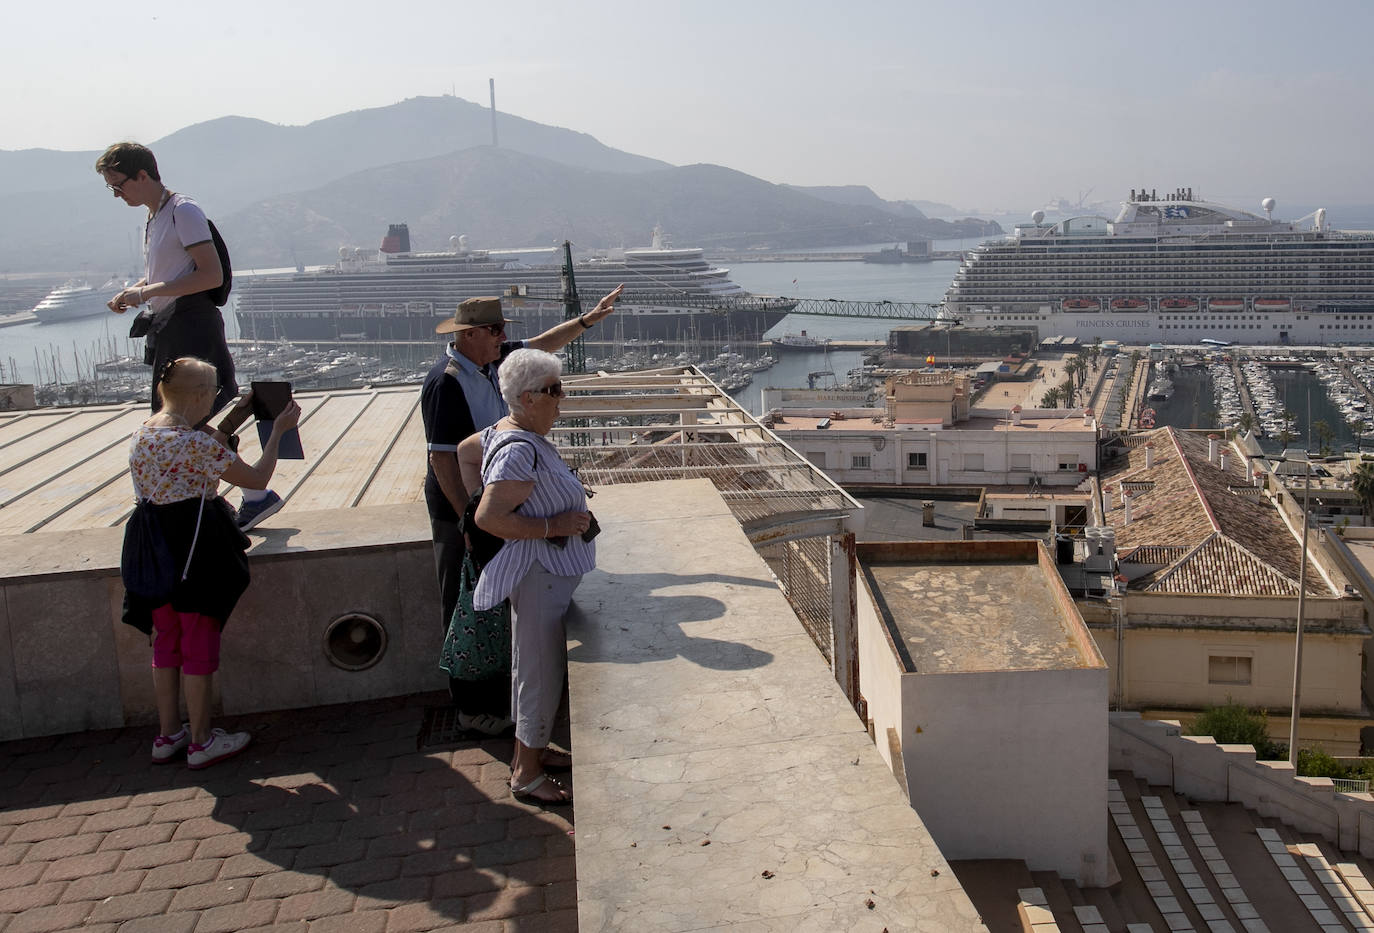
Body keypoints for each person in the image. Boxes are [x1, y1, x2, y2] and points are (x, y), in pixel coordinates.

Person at [422, 287, 621, 735]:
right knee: (466, 607)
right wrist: (468, 519)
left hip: (493, 498)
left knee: (495, 608)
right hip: (460, 509)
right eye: (495, 330)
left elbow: (544, 345)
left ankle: (500, 703)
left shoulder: (495, 361)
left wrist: (587, 321)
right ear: (469, 334)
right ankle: (470, 708)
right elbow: (443, 458)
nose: (502, 337)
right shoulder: (446, 381)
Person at [122, 357, 301, 769]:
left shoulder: (143, 434)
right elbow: (256, 479)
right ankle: (202, 741)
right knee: (199, 638)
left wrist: (238, 413)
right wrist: (277, 434)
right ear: (201, 396)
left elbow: (197, 451)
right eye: (213, 393)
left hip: (153, 547)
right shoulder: (194, 444)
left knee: (166, 642)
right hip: (195, 547)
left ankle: (168, 735)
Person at [95, 141, 281, 532]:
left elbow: (209, 276)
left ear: (143, 175)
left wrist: (144, 293)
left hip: (190, 323)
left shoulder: (183, 211)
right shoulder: (156, 216)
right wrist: (137, 291)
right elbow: (175, 272)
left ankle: (250, 496)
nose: (117, 194)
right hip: (172, 324)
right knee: (186, 423)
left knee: (183, 421)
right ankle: (242, 499)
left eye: (119, 185)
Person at [457, 349, 594, 804]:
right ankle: (527, 776)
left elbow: (465, 451)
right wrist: (551, 527)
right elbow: (489, 517)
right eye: (555, 391)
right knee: (539, 673)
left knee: (530, 668)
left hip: (538, 575)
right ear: (530, 397)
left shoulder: (504, 431)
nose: (562, 399)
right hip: (539, 576)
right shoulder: (518, 449)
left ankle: (528, 753)